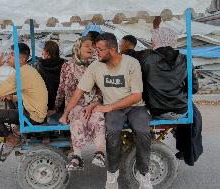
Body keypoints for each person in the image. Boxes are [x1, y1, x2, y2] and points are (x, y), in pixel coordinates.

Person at [59, 33, 152, 189]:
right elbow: (78, 92)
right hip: (114, 108)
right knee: (113, 132)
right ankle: (112, 174)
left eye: (100, 50)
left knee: (143, 132)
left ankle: (144, 175)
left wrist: (109, 107)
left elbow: (137, 96)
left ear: (113, 50)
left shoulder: (132, 63)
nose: (97, 53)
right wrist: (65, 113)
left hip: (135, 107)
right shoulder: (95, 66)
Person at [138, 28, 203, 166]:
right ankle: (188, 152)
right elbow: (194, 88)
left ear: (156, 40)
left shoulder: (145, 59)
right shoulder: (185, 59)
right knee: (194, 114)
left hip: (156, 111)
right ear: (173, 40)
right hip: (180, 110)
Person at [0, 43, 48, 161]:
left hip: (33, 116)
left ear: (22, 59)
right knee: (10, 98)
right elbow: (28, 95)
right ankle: (17, 130)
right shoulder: (26, 70)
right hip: (35, 111)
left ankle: (11, 139)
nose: (8, 57)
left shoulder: (20, 74)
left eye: (12, 54)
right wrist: (12, 97)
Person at [55, 36, 106, 170]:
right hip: (74, 104)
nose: (91, 48)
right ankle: (77, 157)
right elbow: (61, 88)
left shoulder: (97, 65)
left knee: (98, 117)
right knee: (76, 119)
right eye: (87, 45)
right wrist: (56, 107)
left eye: (92, 46)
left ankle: (100, 153)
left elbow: (102, 90)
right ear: (78, 48)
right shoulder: (68, 66)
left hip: (93, 103)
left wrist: (94, 104)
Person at [34, 41, 65, 112]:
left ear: (47, 53)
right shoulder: (65, 64)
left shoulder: (39, 65)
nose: (42, 53)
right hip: (62, 103)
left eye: (43, 51)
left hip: (45, 103)